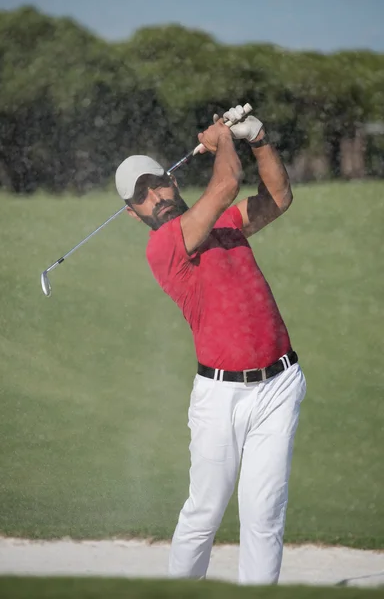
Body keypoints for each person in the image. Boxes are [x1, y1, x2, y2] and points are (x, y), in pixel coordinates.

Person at [114, 104, 306, 585]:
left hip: (279, 385)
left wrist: (257, 137)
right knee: (205, 513)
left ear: (173, 180)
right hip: (220, 398)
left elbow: (278, 197)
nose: (155, 195)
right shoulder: (164, 247)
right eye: (142, 196)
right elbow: (225, 186)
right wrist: (223, 138)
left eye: (158, 182)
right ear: (133, 214)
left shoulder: (224, 224)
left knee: (265, 514)